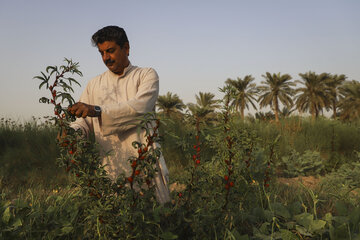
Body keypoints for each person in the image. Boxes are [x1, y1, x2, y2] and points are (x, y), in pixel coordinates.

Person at [67, 26, 170, 204]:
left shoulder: (146, 75)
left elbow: (140, 108)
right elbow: (82, 122)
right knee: (118, 222)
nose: (106, 58)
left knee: (156, 221)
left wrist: (97, 110)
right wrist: (71, 134)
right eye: (101, 53)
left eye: (110, 51)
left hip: (144, 164)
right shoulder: (94, 84)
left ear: (126, 48)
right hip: (111, 167)